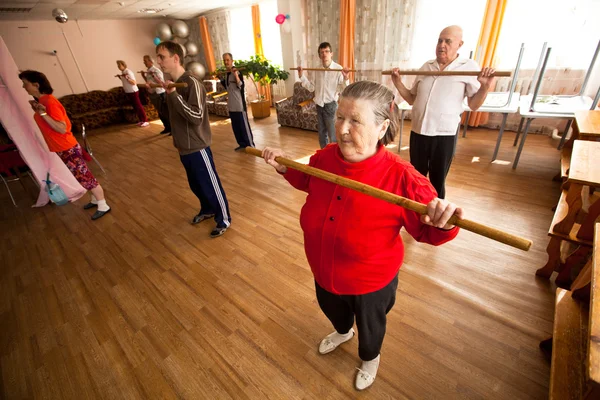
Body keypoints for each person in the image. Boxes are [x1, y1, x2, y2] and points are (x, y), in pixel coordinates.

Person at [261, 80, 463, 391]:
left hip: (370, 284)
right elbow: (309, 180)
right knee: (334, 312)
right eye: (340, 116)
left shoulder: (404, 179)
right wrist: (286, 167)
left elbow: (428, 233)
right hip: (323, 268)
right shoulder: (326, 158)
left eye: (355, 120)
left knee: (371, 331)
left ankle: (370, 357)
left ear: (382, 128)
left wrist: (445, 221)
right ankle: (343, 332)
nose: (342, 129)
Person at [391, 25, 495, 199]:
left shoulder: (468, 67)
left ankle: (435, 217)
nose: (442, 45)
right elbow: (411, 99)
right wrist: (397, 82)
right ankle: (416, 211)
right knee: (416, 177)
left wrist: (485, 86)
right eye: (440, 40)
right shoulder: (427, 66)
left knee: (437, 181)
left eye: (448, 41)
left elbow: (474, 104)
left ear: (459, 44)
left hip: (443, 134)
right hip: (419, 131)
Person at [155, 41, 231, 238]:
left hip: (198, 146)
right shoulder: (173, 85)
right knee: (196, 185)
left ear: (176, 58)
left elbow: (196, 117)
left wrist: (173, 96)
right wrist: (163, 94)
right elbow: (172, 116)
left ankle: (224, 218)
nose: (158, 61)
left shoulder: (192, 83)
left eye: (161, 57)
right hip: (183, 147)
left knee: (210, 183)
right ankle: (208, 209)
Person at [19, 70, 111, 220]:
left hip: (67, 147)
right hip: (62, 148)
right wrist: (38, 111)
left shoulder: (49, 102)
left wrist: (42, 114)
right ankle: (95, 199)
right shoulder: (43, 103)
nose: (24, 87)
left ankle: (103, 204)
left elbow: (61, 128)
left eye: (25, 84)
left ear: (36, 85)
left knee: (85, 176)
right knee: (80, 176)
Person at [297, 42, 350, 149]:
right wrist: (301, 76)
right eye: (322, 52)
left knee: (333, 135)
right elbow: (311, 87)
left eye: (326, 51)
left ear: (331, 53)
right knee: (321, 134)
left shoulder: (338, 69)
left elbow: (343, 89)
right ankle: (324, 154)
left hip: (331, 106)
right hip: (319, 106)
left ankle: (335, 156)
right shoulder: (317, 69)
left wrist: (346, 78)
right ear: (319, 55)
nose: (324, 54)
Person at [221, 52, 255, 151]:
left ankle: (250, 146)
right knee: (236, 127)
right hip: (231, 106)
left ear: (232, 61)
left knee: (244, 127)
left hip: (239, 105)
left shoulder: (237, 72)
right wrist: (221, 79)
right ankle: (242, 144)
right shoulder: (226, 74)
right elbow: (227, 87)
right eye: (224, 60)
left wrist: (235, 74)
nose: (226, 62)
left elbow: (241, 85)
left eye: (227, 60)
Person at [141, 55, 171, 134]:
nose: (144, 62)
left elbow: (161, 83)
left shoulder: (156, 70)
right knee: (160, 112)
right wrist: (143, 76)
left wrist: (153, 75)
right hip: (153, 93)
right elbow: (149, 82)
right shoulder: (148, 71)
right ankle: (167, 127)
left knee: (165, 112)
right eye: (144, 61)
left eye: (145, 61)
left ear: (150, 61)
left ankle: (172, 129)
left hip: (159, 93)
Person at [115, 60, 149, 127]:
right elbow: (125, 81)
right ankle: (141, 120)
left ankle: (145, 121)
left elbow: (133, 82)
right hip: (128, 92)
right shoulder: (123, 72)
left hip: (133, 91)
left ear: (123, 65)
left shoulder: (128, 72)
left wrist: (126, 77)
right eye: (117, 65)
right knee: (135, 107)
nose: (118, 67)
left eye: (119, 65)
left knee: (138, 106)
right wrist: (120, 77)